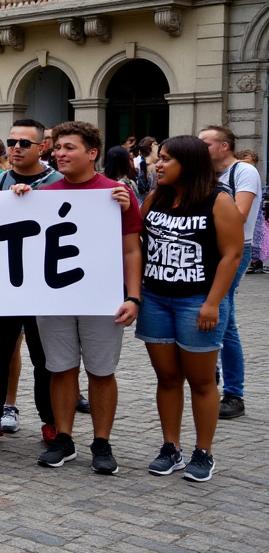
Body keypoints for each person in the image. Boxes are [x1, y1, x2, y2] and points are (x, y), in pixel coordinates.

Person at [27, 120, 141, 474]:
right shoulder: (43, 195)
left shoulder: (116, 194)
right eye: (57, 148)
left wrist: (133, 297)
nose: (60, 154)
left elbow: (131, 250)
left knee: (101, 371)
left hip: (101, 298)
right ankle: (64, 439)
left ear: (92, 153)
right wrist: (18, 202)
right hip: (56, 298)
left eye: (69, 148)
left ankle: (101, 443)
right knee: (59, 369)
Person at [137, 136, 242, 482]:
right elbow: (136, 240)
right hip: (155, 298)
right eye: (158, 159)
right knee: (167, 378)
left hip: (197, 301)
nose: (158, 165)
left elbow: (232, 254)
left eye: (166, 159)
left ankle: (204, 451)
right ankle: (171, 447)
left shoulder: (218, 200)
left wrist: (213, 302)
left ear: (190, 162)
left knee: (200, 380)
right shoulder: (155, 198)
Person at [0, 119, 63, 452]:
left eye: (25, 143)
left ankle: (51, 422)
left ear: (43, 147)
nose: (17, 148)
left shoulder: (58, 183)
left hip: (44, 288)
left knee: (45, 359)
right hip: (4, 287)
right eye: (12, 142)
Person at [197, 125, 258, 422]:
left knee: (224, 315)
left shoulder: (243, 172)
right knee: (221, 315)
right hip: (208, 249)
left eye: (205, 143)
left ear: (224, 146)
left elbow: (241, 214)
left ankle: (233, 392)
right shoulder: (204, 174)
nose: (200, 148)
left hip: (234, 249)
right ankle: (218, 381)